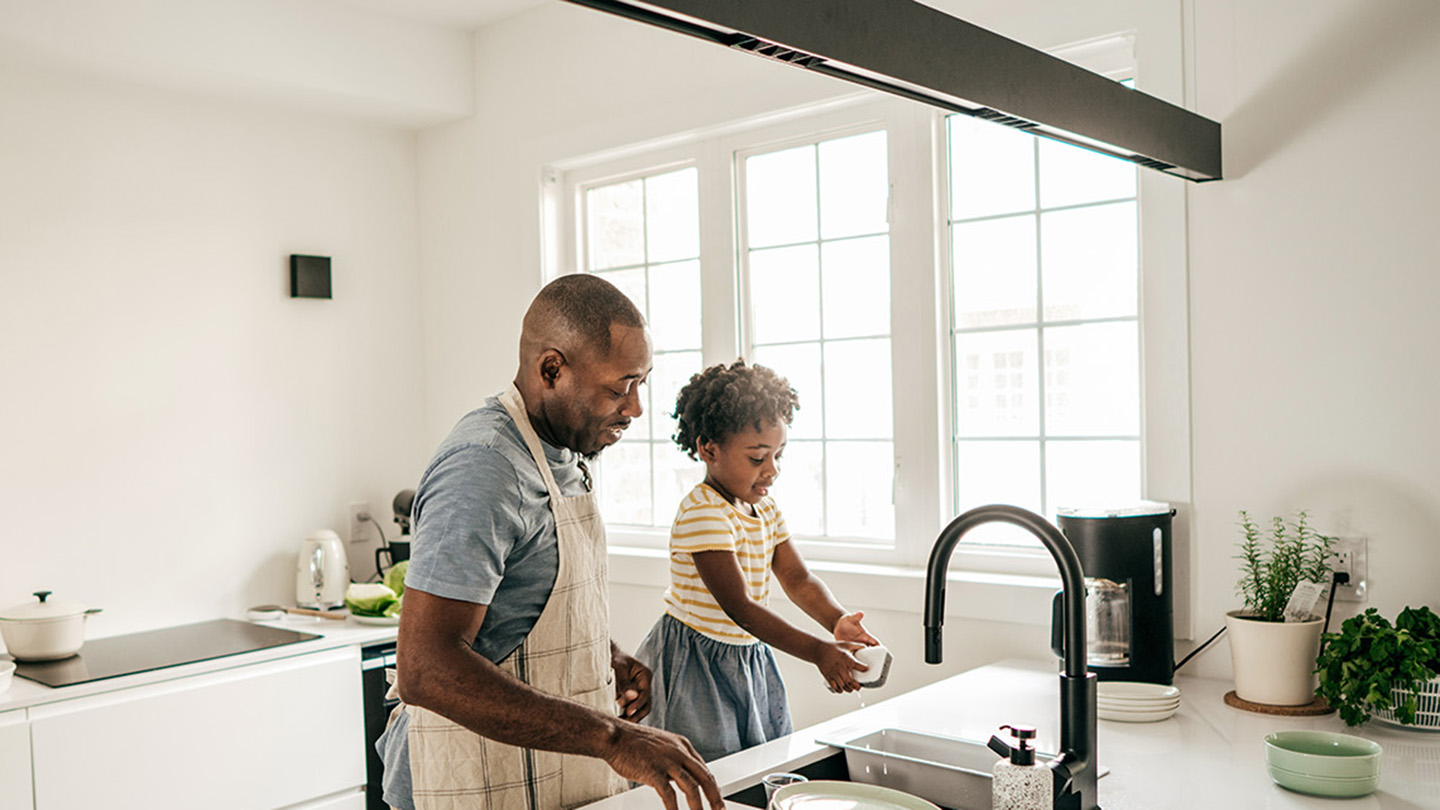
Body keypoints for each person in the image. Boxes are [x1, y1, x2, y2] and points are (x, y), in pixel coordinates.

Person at [378, 274, 723, 810]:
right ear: (551, 369)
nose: (633, 408)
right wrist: (613, 738)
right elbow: (426, 667)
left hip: (539, 776)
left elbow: (518, 607)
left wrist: (601, 655)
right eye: (619, 387)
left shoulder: (564, 453)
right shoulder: (485, 467)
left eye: (641, 383)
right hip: (465, 781)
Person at [635, 359, 882, 761]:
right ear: (708, 448)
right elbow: (741, 608)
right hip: (698, 663)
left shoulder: (763, 509)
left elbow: (798, 579)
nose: (772, 470)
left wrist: (836, 620)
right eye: (757, 458)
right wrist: (820, 652)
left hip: (748, 656)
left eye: (778, 455)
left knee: (759, 761)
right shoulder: (703, 512)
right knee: (705, 768)